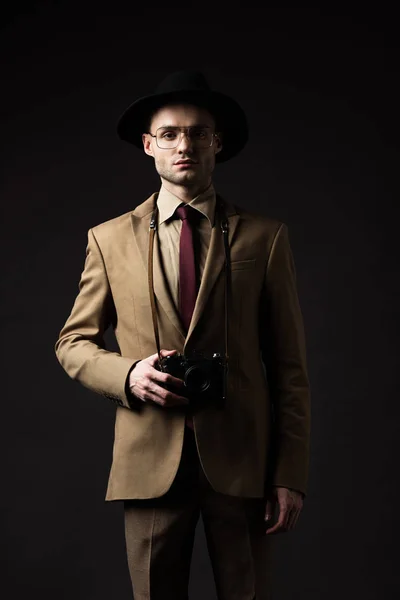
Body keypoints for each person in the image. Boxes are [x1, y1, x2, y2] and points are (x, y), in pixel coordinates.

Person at [55, 70, 311, 600]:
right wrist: (127, 373)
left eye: (198, 133)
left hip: (244, 465)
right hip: (149, 463)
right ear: (149, 146)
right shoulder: (108, 240)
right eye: (169, 134)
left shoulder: (266, 238)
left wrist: (290, 473)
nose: (184, 145)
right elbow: (72, 342)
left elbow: (289, 368)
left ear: (216, 143)